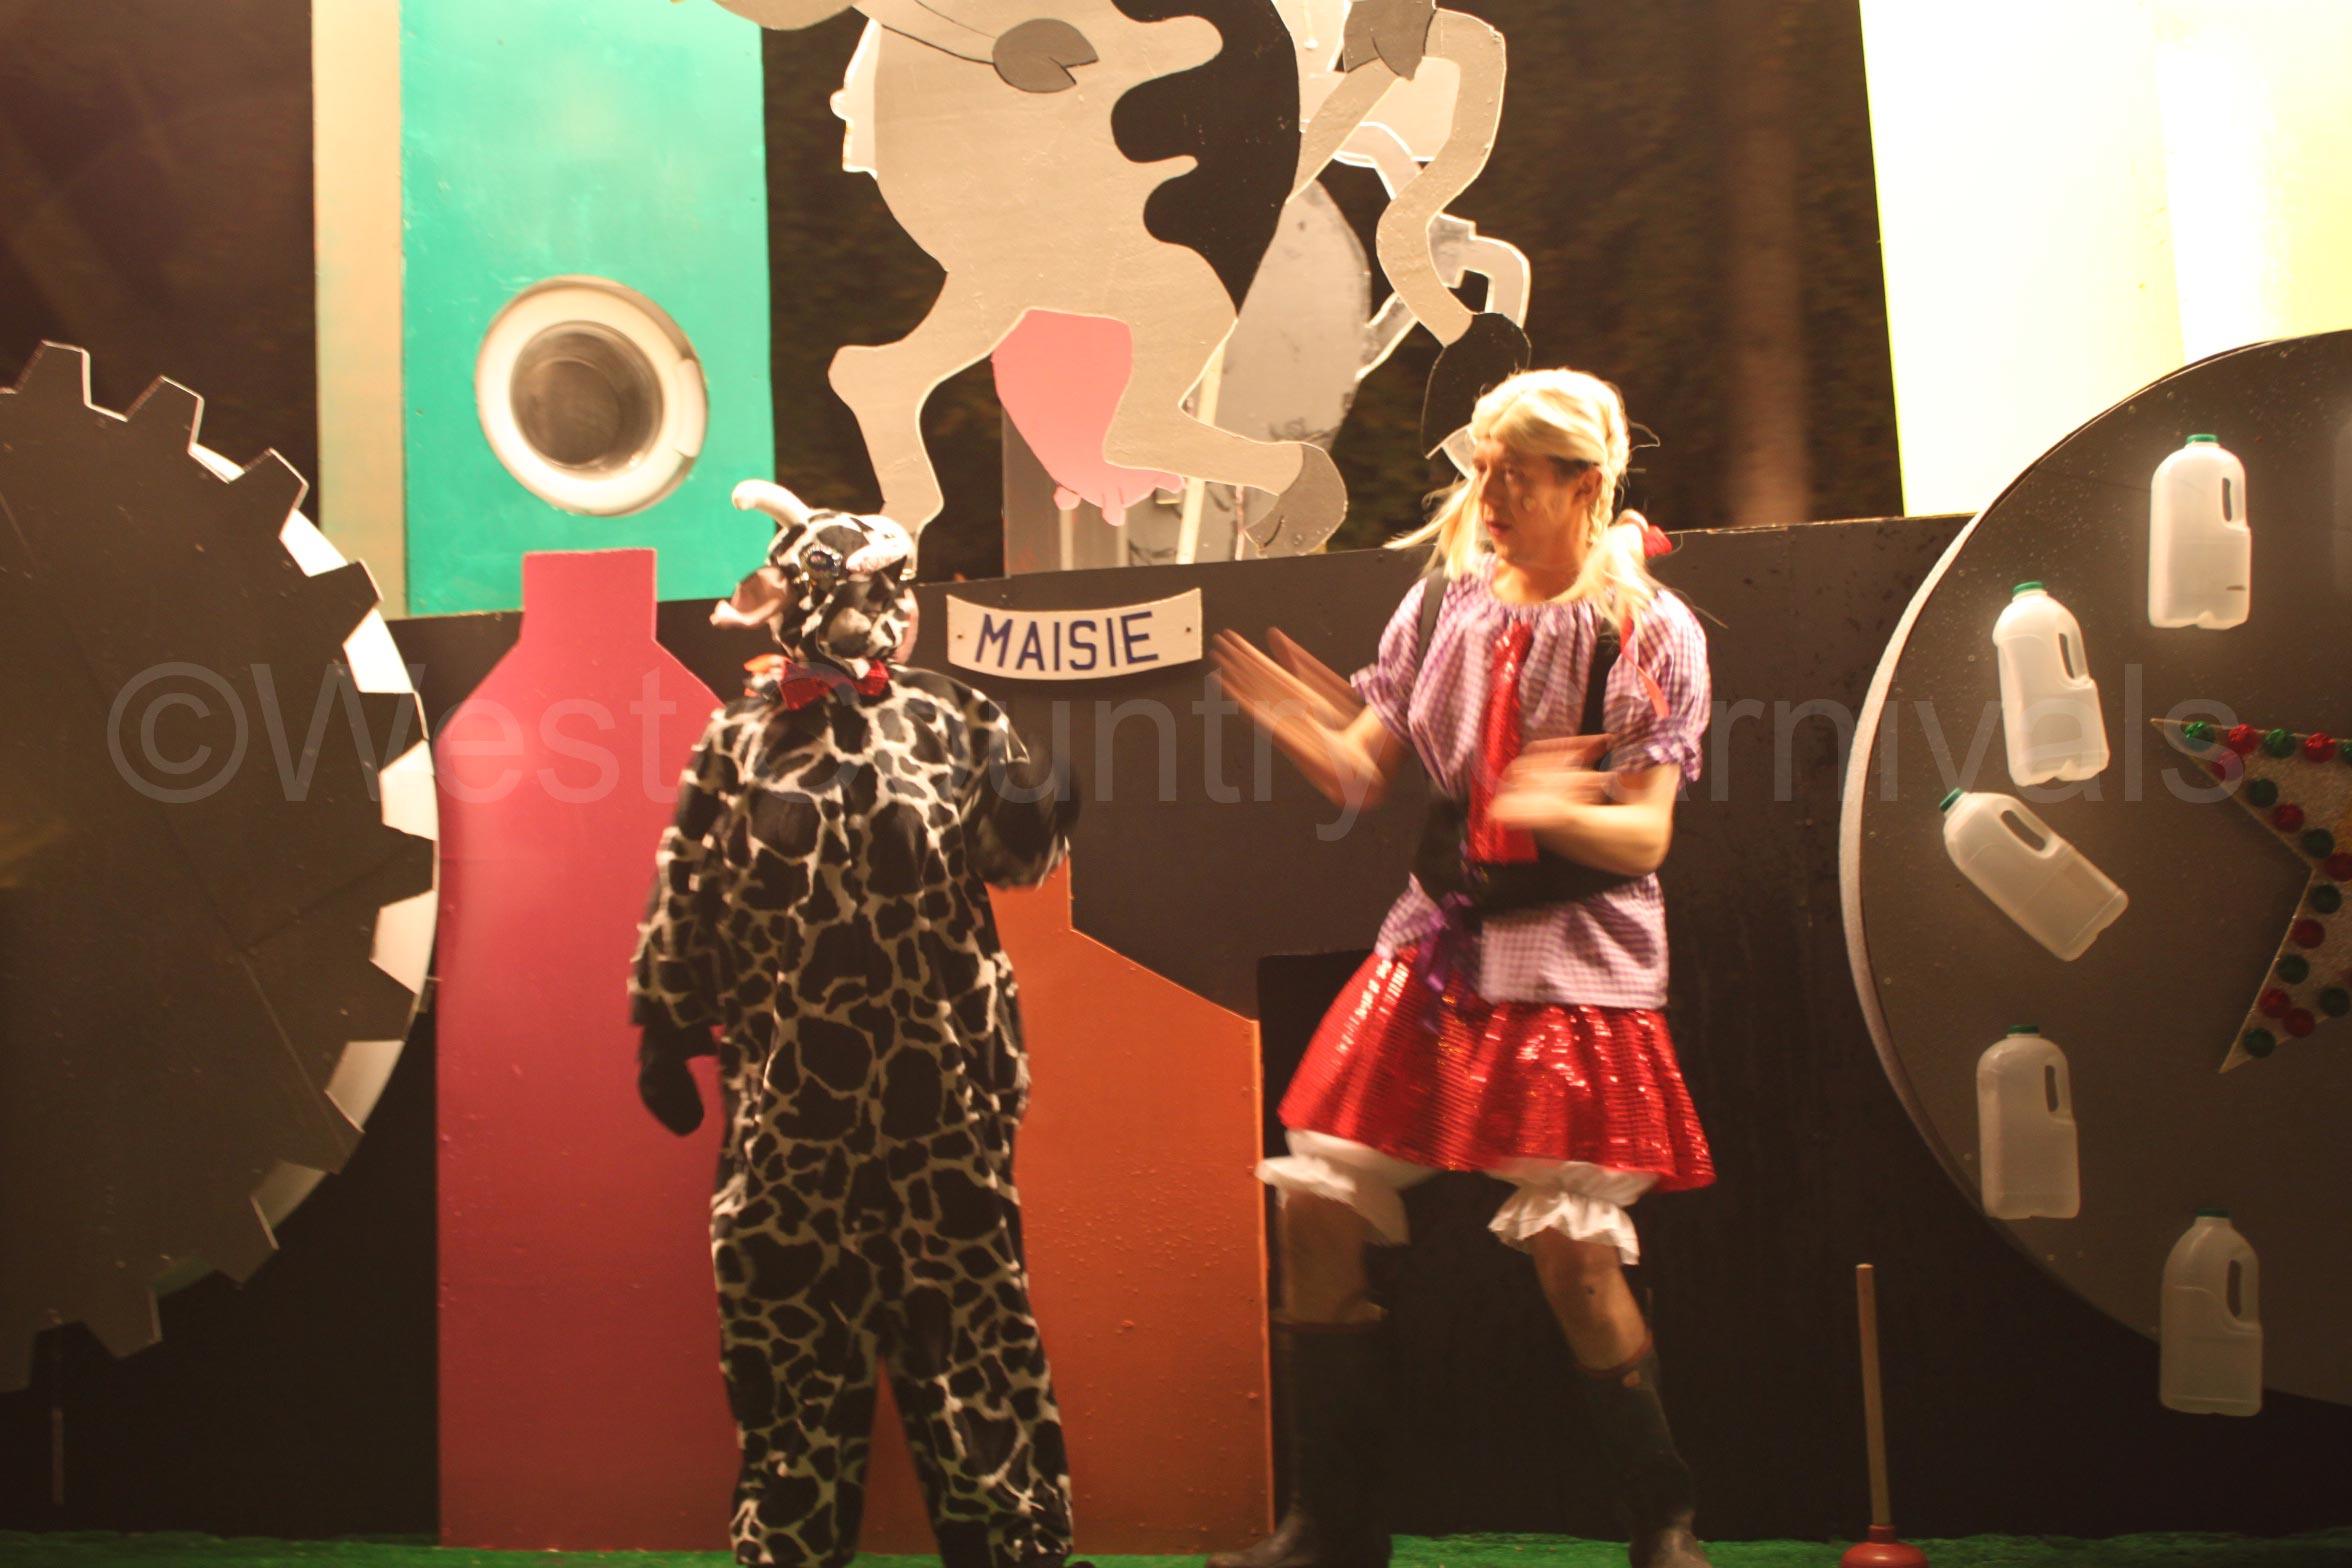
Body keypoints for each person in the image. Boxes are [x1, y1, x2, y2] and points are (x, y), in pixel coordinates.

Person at [1208, 369, 1716, 1568]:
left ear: (1584, 485)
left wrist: (1548, 806)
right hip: (1439, 946)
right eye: (1482, 469)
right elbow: (1364, 768)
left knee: (1575, 1255)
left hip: (1575, 957)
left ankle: (1664, 1521)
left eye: (1517, 475)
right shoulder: (1445, 604)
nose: (1488, 497)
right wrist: (1311, 732)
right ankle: (1333, 1527)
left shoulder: (1648, 629)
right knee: (1316, 1203)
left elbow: (1645, 835)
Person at [630, 480, 1082, 1568]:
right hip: (791, 1101)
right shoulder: (738, 739)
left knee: (971, 1320)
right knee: (786, 1328)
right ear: (813, 600)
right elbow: (690, 879)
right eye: (875, 591)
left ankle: (1012, 1533)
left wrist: (1040, 808)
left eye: (900, 590)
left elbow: (1008, 861)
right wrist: (667, 1019)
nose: (896, 609)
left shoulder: (953, 715)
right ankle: (789, 1537)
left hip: (942, 1089)